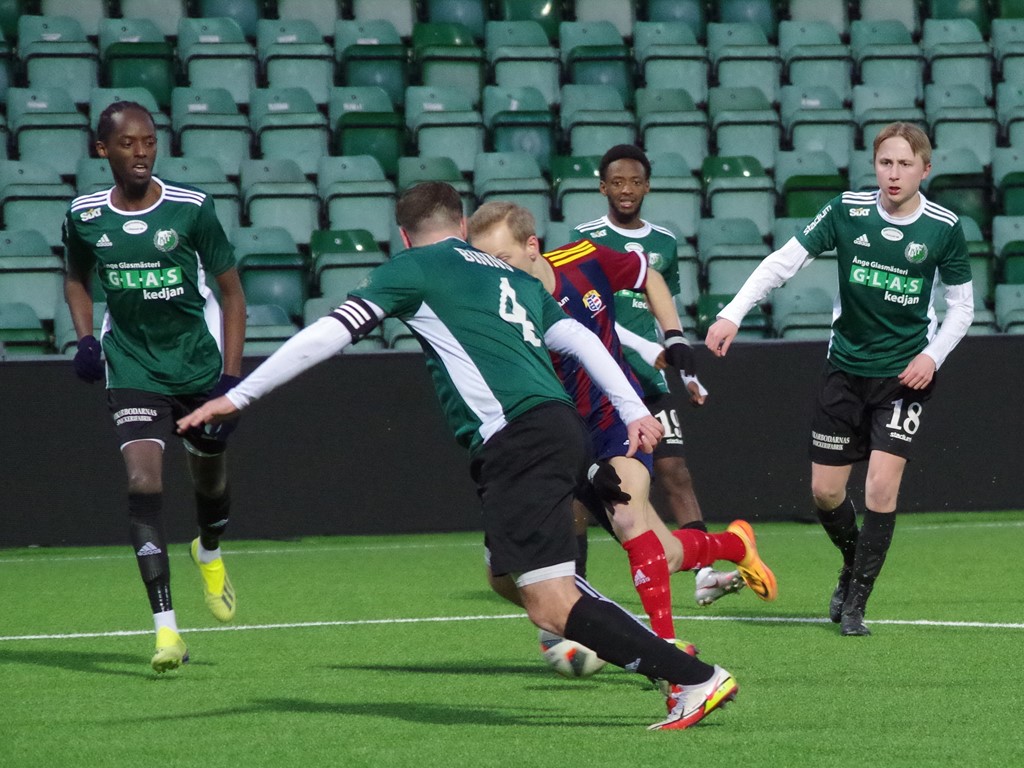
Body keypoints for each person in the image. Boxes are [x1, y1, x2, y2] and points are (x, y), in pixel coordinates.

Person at [175, 181, 775, 729]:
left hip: (518, 438)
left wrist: (240, 394)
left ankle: (690, 678)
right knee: (501, 573)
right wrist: (634, 409)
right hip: (557, 426)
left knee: (547, 602)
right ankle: (664, 659)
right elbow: (582, 339)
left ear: (405, 235)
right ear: (463, 228)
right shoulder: (508, 275)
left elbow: (332, 330)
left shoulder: (412, 267)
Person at [468, 201, 777, 650]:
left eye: (502, 261)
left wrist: (672, 336)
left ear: (532, 247)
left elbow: (646, 275)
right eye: (483, 264)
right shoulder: (489, 312)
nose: (493, 273)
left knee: (630, 518)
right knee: (660, 554)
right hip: (549, 440)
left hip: (612, 421)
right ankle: (733, 546)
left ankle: (665, 652)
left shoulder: (583, 260)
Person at [705, 122, 974, 636]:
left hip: (904, 376)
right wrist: (732, 313)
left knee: (879, 485)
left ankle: (856, 604)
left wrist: (933, 358)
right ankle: (853, 562)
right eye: (885, 163)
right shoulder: (846, 210)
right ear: (875, 164)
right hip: (844, 371)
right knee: (826, 494)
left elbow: (962, 308)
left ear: (925, 169)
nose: (893, 174)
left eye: (905, 164)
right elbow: (784, 263)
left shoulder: (943, 227)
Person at [63, 101, 246, 672]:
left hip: (196, 367)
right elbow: (75, 277)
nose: (140, 153)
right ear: (103, 150)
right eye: (127, 144)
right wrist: (86, 339)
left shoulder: (192, 208)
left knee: (209, 484)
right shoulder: (84, 214)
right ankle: (167, 632)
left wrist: (232, 380)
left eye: (148, 142)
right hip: (133, 366)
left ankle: (208, 551)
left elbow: (233, 294)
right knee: (144, 485)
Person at [573, 144, 744, 608]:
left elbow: (662, 309)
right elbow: (589, 317)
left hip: (650, 379)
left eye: (635, 181)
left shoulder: (664, 242)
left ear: (647, 186)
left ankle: (704, 573)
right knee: (584, 487)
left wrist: (687, 373)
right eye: (617, 182)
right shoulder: (583, 240)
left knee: (676, 472)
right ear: (602, 186)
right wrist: (650, 349)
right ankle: (576, 586)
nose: (626, 190)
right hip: (602, 378)